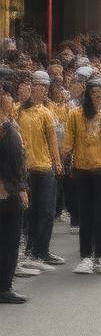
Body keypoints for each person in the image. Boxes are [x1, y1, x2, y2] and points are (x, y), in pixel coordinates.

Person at [64, 77, 101, 274]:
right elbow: (68, 142)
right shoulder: (74, 115)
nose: (98, 98)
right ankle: (86, 257)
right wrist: (64, 158)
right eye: (95, 94)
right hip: (81, 170)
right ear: (87, 95)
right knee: (85, 213)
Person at [17, 71, 64, 270]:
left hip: (44, 167)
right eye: (38, 85)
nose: (42, 90)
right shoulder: (17, 110)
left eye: (45, 87)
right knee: (28, 211)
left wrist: (57, 161)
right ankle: (29, 251)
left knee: (46, 210)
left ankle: (41, 251)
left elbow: (53, 139)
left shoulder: (46, 112)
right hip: (25, 168)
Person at [0, 91, 29, 303]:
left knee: (10, 240)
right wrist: (18, 188)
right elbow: (12, 161)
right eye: (8, 95)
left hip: (9, 187)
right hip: (5, 189)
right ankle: (4, 288)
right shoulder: (5, 129)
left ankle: (4, 285)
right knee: (9, 239)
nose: (11, 99)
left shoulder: (10, 124)